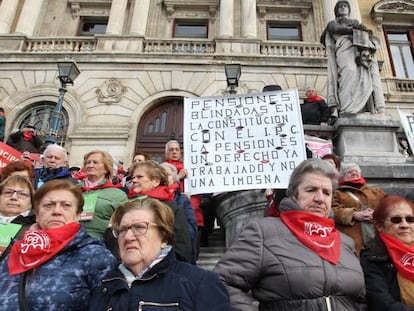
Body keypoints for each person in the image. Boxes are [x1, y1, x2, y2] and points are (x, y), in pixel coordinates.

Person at [213, 159, 366, 310]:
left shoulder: (345, 242)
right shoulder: (263, 232)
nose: (320, 198)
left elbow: (360, 300)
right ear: (294, 195)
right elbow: (222, 283)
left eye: (326, 193)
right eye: (311, 190)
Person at [89, 197, 230, 311]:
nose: (128, 237)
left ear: (164, 237)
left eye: (140, 227)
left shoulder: (200, 283)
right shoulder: (103, 287)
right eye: (122, 230)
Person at [0, 180, 116, 310]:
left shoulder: (95, 256)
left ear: (78, 215)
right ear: (37, 215)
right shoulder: (15, 252)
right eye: (49, 205)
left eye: (66, 205)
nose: (57, 211)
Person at [321, 0, 385, 115]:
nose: (343, 7)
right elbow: (334, 29)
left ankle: (360, 108)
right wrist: (353, 29)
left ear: (349, 10)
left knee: (362, 77)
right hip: (343, 48)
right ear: (336, 10)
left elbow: (366, 31)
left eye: (345, 6)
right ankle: (347, 107)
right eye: (340, 6)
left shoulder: (355, 21)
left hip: (357, 49)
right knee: (348, 72)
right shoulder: (333, 23)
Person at [126, 160, 192, 262]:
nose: (134, 180)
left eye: (139, 177)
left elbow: (181, 248)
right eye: (133, 177)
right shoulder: (125, 206)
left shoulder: (171, 209)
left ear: (156, 181)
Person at [361, 196, 414, 310]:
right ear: (380, 226)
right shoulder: (372, 258)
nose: (405, 225)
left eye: (410, 219)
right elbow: (382, 304)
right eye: (396, 220)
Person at [332, 162, 387, 256]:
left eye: (356, 171)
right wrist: (353, 214)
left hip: (376, 240)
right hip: (351, 241)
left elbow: (390, 207)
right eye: (350, 172)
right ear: (343, 176)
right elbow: (332, 210)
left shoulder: (376, 192)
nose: (354, 173)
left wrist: (376, 214)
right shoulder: (337, 193)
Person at [164, 140, 204, 256]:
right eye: (171, 150)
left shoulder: (190, 168)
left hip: (193, 211)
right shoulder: (161, 169)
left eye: (177, 149)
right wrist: (178, 176)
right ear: (166, 154)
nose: (174, 152)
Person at [79, 150, 128, 238]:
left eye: (95, 162)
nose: (90, 165)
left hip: (99, 242)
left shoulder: (118, 195)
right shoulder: (71, 190)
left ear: (106, 169)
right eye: (88, 162)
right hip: (69, 239)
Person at [161, 161, 198, 263]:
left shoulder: (182, 199)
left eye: (167, 174)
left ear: (174, 178)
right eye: (161, 174)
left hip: (179, 251)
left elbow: (191, 226)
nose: (164, 177)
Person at [0, 175, 35, 261]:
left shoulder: (36, 229)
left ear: (31, 201)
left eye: (22, 194)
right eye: (8, 192)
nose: (14, 197)